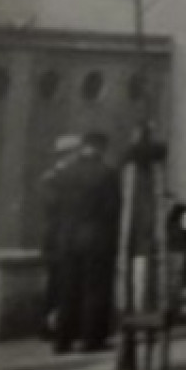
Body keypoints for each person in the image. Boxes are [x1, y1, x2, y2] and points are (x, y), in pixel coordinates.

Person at [50, 131, 121, 354]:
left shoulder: (65, 173)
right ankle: (92, 340)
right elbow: (113, 209)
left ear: (83, 147)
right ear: (101, 148)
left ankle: (62, 341)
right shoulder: (106, 174)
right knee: (95, 289)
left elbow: (53, 206)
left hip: (67, 238)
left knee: (67, 289)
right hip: (95, 238)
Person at [37, 133, 82, 341]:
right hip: (56, 239)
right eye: (76, 153)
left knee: (66, 284)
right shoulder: (53, 178)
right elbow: (52, 207)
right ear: (66, 155)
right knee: (56, 285)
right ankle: (49, 327)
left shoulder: (63, 177)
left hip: (66, 238)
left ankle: (62, 326)